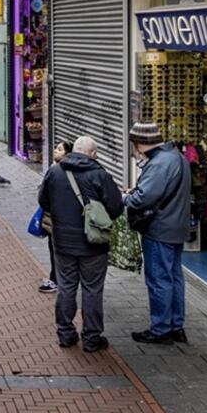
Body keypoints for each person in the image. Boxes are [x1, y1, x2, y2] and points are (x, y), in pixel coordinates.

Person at [37, 137, 124, 353]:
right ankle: (92, 338)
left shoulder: (55, 172)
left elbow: (43, 200)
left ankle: (66, 334)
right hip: (93, 243)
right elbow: (116, 207)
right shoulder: (100, 174)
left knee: (66, 286)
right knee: (92, 289)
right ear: (93, 154)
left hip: (62, 242)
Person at [124, 122, 192, 345]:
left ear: (140, 144)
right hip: (177, 226)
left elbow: (143, 198)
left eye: (134, 145)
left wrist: (125, 198)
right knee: (174, 277)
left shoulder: (159, 164)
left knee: (159, 278)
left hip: (160, 229)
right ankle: (176, 325)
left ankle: (160, 329)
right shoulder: (177, 157)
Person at [38, 141, 74, 294]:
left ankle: (56, 280)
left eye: (60, 149)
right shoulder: (75, 170)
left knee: (55, 249)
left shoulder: (54, 171)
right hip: (71, 220)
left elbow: (43, 198)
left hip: (57, 219)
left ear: (67, 154)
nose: (55, 150)